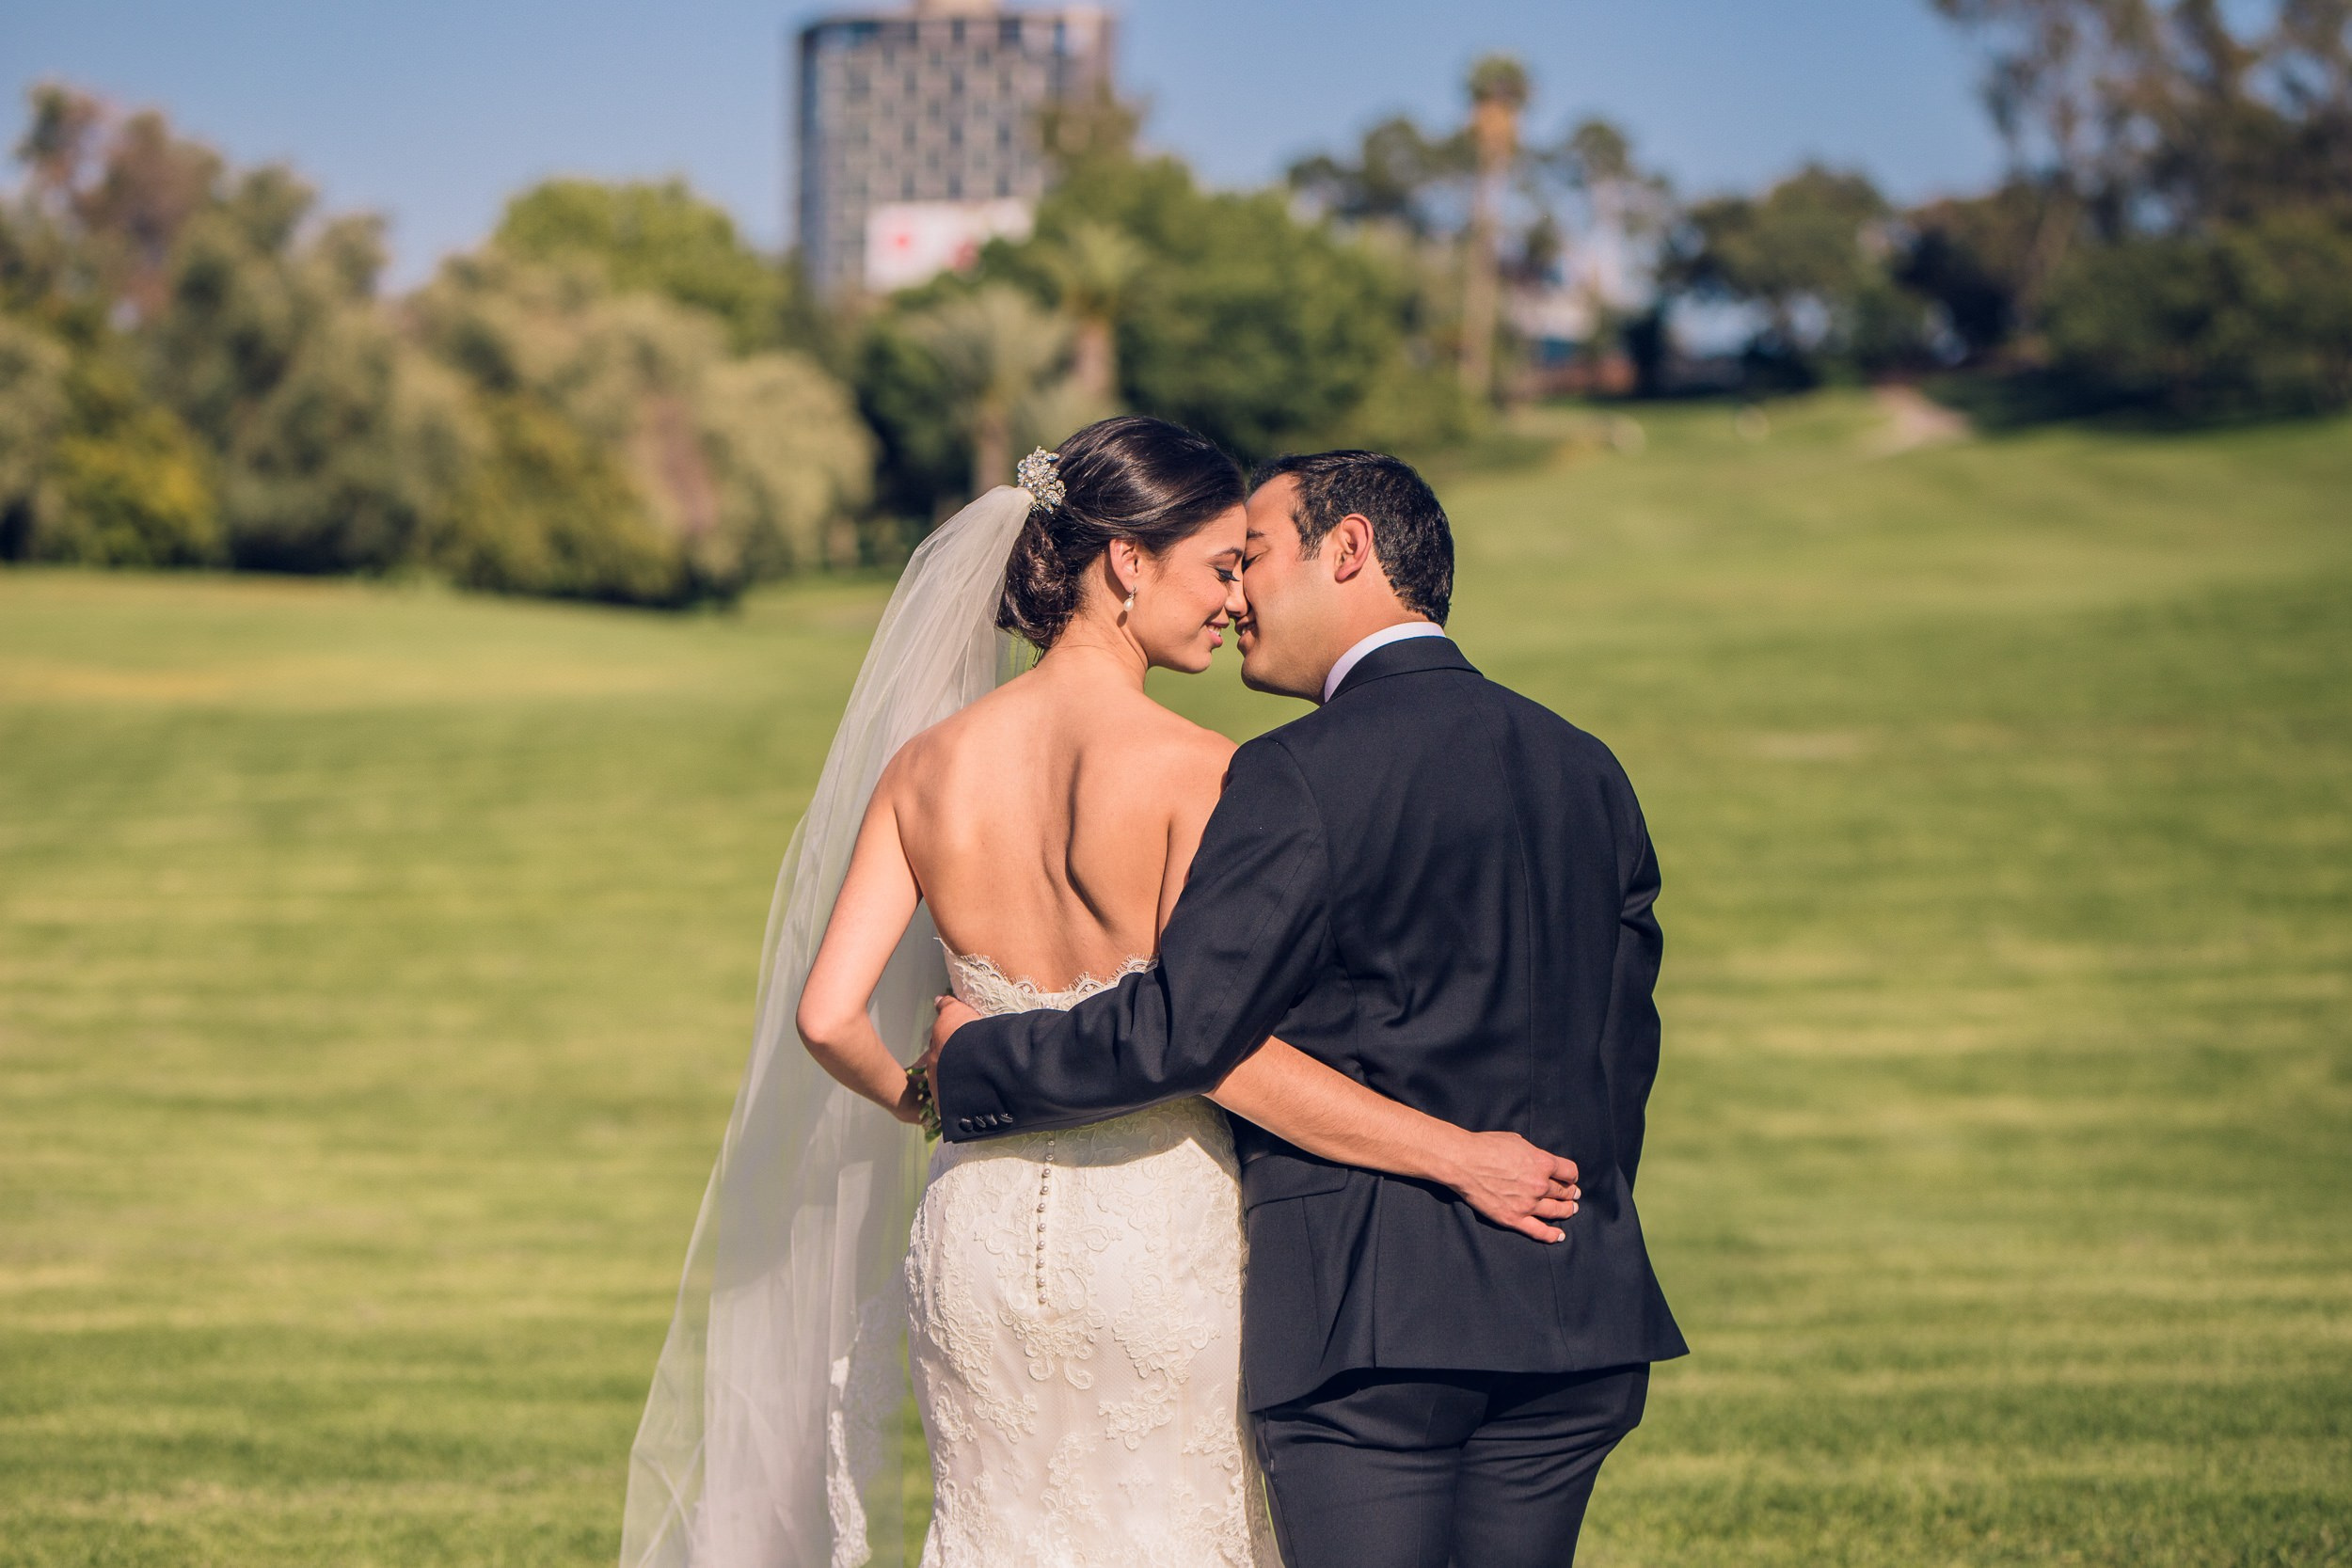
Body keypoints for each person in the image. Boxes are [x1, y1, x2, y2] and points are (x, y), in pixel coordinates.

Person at [618, 417, 1581, 1568]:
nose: (1235, 600)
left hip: (975, 1232)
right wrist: (1452, 1152)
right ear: (1127, 561)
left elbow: (826, 1015)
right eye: (1221, 566)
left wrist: (936, 1095)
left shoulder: (926, 766)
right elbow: (1214, 1048)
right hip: (1158, 1228)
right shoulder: (1209, 772)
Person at [927, 449, 1688, 1568]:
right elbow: (1624, 1045)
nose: (1238, 598)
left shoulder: (1295, 775)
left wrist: (980, 1062)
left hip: (1367, 1329)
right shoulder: (1586, 766)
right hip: (1573, 1310)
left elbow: (1186, 1029)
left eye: (1259, 554)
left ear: (1349, 549)